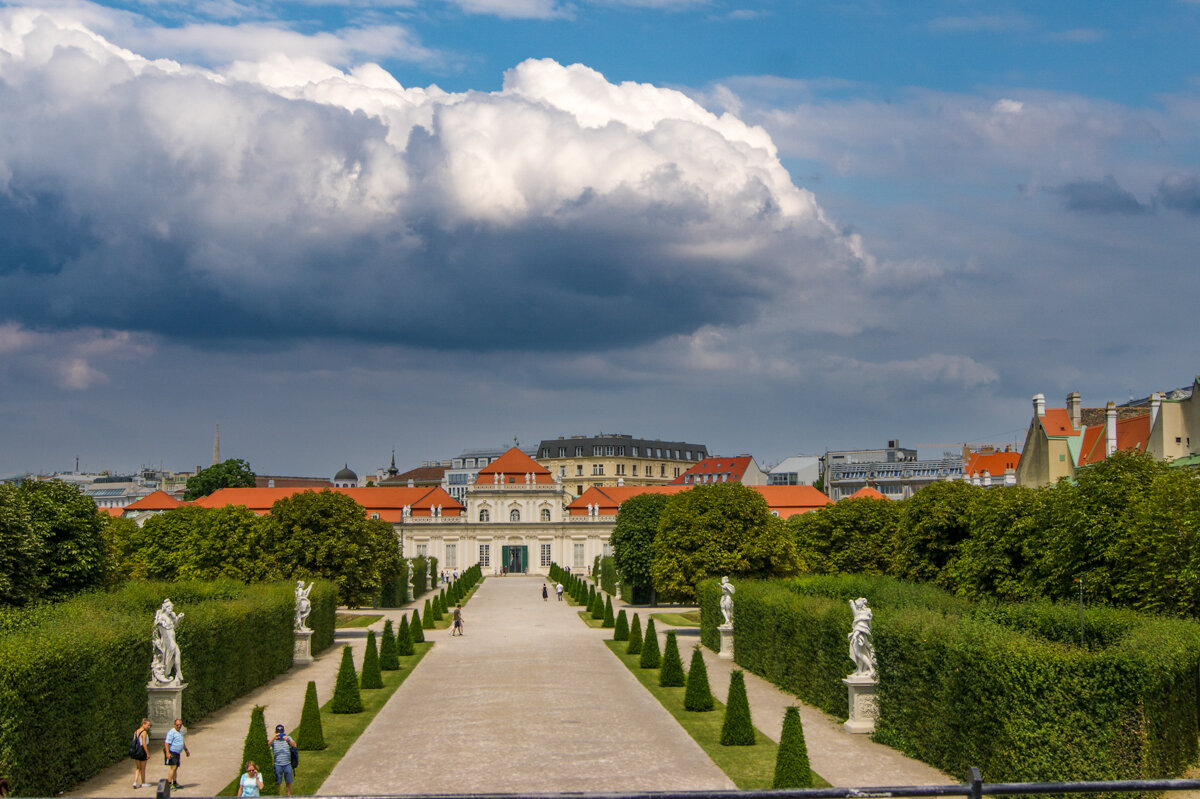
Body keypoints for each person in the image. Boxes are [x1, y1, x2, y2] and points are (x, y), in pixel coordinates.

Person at [270, 724, 297, 797]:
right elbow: (266, 746)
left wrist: (287, 740)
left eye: (281, 732)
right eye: (278, 732)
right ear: (276, 732)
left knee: (288, 781)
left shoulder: (288, 738)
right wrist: (273, 738)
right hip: (277, 764)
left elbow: (294, 745)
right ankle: (277, 795)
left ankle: (288, 795)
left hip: (287, 764)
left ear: (284, 732)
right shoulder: (274, 741)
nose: (280, 734)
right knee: (278, 781)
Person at [163, 718, 189, 789]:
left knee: (176, 768)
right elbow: (166, 743)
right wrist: (167, 753)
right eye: (177, 725)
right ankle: (169, 784)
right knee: (173, 767)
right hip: (172, 752)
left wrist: (186, 750)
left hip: (177, 753)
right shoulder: (171, 732)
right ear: (174, 725)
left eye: (180, 725)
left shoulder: (180, 732)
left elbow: (182, 742)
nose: (179, 726)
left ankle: (174, 782)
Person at [130, 718, 151, 788]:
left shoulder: (136, 731)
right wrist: (147, 753)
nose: (148, 727)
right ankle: (143, 782)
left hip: (136, 751)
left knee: (138, 768)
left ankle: (135, 782)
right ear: (143, 724)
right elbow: (144, 744)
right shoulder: (144, 732)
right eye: (148, 725)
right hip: (142, 751)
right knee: (143, 768)